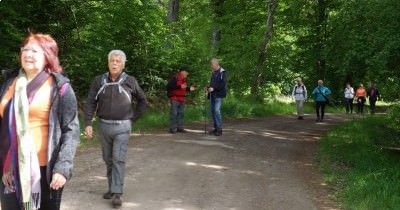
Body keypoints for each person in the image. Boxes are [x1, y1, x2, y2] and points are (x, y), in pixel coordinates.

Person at [0, 33, 80, 210]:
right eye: (25, 49)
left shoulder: (60, 88)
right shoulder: (10, 83)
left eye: (35, 50)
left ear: (47, 56)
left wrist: (63, 167)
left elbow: (71, 130)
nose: (28, 54)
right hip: (10, 167)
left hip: (44, 171)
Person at [84, 50, 147, 208]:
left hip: (122, 127)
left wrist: (133, 118)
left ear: (123, 64)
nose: (115, 63)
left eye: (118, 61)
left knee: (118, 158)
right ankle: (112, 188)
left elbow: (142, 100)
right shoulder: (99, 80)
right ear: (108, 62)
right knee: (108, 159)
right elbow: (91, 101)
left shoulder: (130, 81)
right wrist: (88, 123)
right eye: (112, 60)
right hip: (104, 126)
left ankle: (117, 193)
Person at [167, 66, 195, 134]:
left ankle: (180, 128)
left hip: (181, 98)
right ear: (182, 72)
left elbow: (183, 88)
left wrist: (189, 89)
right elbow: (169, 86)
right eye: (186, 72)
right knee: (174, 113)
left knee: (181, 114)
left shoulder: (184, 79)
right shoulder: (175, 77)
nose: (187, 73)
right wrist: (180, 86)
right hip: (175, 98)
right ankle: (172, 128)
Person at [207, 58, 228, 136]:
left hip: (219, 95)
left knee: (216, 111)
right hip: (212, 94)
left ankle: (219, 129)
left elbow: (223, 84)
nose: (211, 66)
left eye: (212, 64)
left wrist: (214, 88)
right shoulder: (213, 72)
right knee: (212, 112)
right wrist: (208, 88)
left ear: (216, 64)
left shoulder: (223, 72)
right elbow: (212, 83)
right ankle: (216, 129)